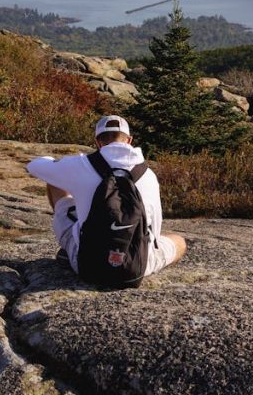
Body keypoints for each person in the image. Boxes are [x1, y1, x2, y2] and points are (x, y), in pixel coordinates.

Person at [26, 114, 186, 280]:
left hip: (87, 265)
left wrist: (58, 163)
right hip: (135, 267)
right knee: (179, 242)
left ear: (97, 142)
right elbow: (155, 230)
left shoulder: (81, 165)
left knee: (54, 181)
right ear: (129, 140)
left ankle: (72, 249)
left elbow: (33, 166)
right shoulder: (148, 175)